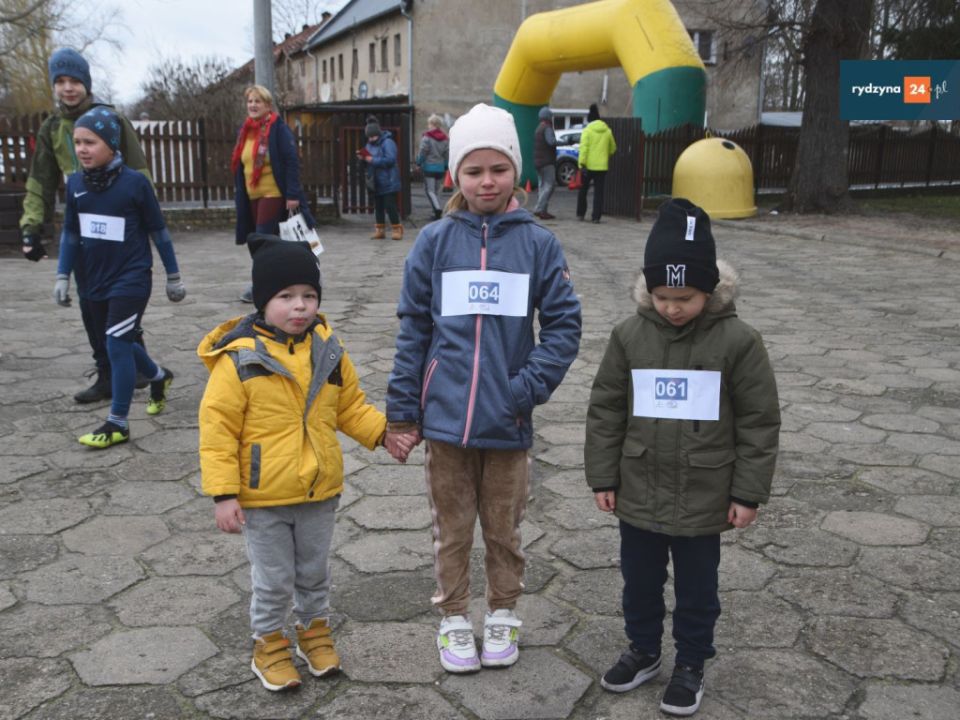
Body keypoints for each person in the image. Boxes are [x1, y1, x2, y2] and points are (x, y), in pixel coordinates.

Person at [386, 103, 582, 674]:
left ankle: (502, 614)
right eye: (474, 171)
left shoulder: (539, 244)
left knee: (503, 530)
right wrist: (403, 412)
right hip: (445, 423)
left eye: (499, 169)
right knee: (451, 530)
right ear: (455, 176)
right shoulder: (433, 242)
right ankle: (453, 619)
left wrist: (524, 389)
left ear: (517, 171)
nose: (487, 181)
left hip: (508, 423)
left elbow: (564, 326)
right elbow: (413, 328)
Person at [584, 198, 780, 716]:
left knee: (697, 589)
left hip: (704, 492)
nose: (672, 307)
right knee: (639, 581)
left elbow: (759, 420)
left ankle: (691, 662)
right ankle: (644, 650)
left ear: (710, 289)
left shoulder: (739, 341)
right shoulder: (628, 336)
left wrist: (747, 493)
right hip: (639, 488)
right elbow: (606, 409)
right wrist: (603, 477)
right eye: (662, 296)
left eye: (685, 298)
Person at [198, 238, 413, 692]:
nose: (300, 306)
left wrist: (383, 433)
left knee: (314, 572)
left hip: (319, 490)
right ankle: (269, 644)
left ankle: (313, 632)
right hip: (263, 497)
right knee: (274, 579)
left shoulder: (327, 349)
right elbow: (217, 432)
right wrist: (224, 494)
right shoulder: (239, 360)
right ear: (262, 301)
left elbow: (349, 407)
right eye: (286, 296)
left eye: (309, 295)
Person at [22, 48, 154, 404]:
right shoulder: (52, 129)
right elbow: (40, 181)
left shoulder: (111, 119)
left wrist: (148, 221)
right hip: (83, 230)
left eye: (75, 81)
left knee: (121, 298)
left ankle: (137, 363)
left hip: (121, 229)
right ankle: (108, 373)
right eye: (61, 81)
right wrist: (31, 226)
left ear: (86, 83)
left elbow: (139, 171)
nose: (68, 88)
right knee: (91, 303)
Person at [54, 107, 185, 449]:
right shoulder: (76, 184)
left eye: (90, 142)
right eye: (77, 142)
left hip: (132, 277)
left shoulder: (135, 183)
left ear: (111, 145)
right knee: (121, 340)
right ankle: (159, 377)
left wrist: (173, 276)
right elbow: (70, 233)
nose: (82, 149)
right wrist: (62, 275)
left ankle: (118, 423)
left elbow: (159, 231)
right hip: (93, 280)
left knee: (115, 343)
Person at [231, 85, 315, 303]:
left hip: (273, 193)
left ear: (268, 105)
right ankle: (288, 277)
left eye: (257, 101)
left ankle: (261, 285)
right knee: (264, 240)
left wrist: (292, 194)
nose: (253, 105)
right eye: (250, 101)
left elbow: (291, 161)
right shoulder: (246, 130)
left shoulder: (278, 128)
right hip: (252, 196)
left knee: (262, 239)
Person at [357, 117, 403, 240]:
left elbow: (390, 160)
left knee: (390, 206)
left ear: (378, 134)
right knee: (378, 207)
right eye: (369, 137)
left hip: (388, 180)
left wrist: (371, 160)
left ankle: (396, 229)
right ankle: (380, 230)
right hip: (375, 181)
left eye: (373, 136)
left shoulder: (388, 142)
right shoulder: (369, 144)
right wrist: (363, 159)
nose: (371, 139)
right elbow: (368, 160)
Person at [576, 103, 617, 223]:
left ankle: (581, 213)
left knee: (583, 190)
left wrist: (581, 164)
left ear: (589, 119)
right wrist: (604, 154)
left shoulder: (587, 131)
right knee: (599, 193)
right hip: (602, 167)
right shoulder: (607, 131)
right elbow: (613, 148)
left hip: (587, 166)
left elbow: (584, 148)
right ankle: (596, 217)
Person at [416, 113, 449, 220]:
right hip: (440, 168)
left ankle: (437, 210)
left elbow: (423, 152)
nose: (428, 126)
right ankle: (435, 211)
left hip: (429, 167)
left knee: (430, 191)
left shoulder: (427, 137)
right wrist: (445, 166)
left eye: (429, 124)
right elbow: (447, 154)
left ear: (432, 124)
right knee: (436, 191)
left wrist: (418, 162)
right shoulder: (445, 138)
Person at [532, 106, 557, 220]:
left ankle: (543, 211)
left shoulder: (538, 128)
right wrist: (563, 142)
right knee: (549, 186)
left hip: (538, 162)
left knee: (542, 186)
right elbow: (551, 142)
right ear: (548, 117)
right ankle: (539, 208)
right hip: (547, 162)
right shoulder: (547, 128)